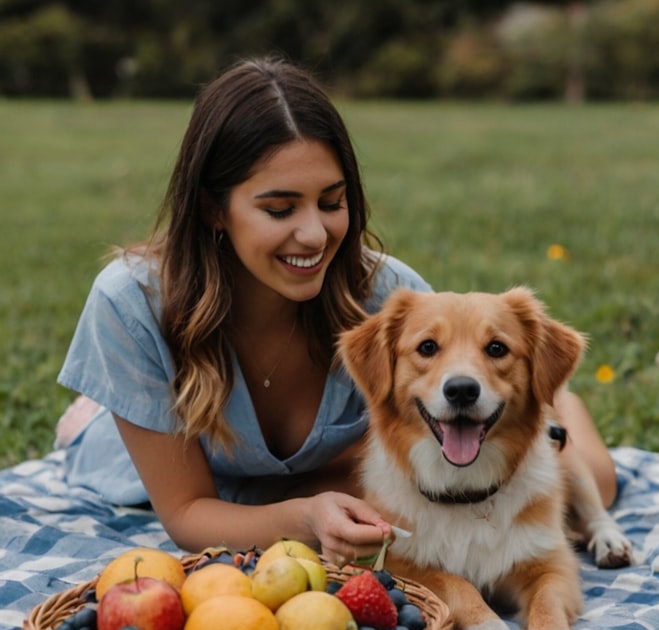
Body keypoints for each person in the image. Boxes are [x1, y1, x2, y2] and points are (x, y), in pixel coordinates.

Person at [56, 56, 618, 566]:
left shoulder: (391, 299)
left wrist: (534, 427)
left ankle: (557, 401)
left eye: (332, 202)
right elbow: (186, 514)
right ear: (213, 209)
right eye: (279, 208)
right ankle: (100, 407)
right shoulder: (130, 304)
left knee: (593, 483)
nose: (313, 234)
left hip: (333, 475)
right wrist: (304, 517)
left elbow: (444, 417)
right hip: (188, 468)